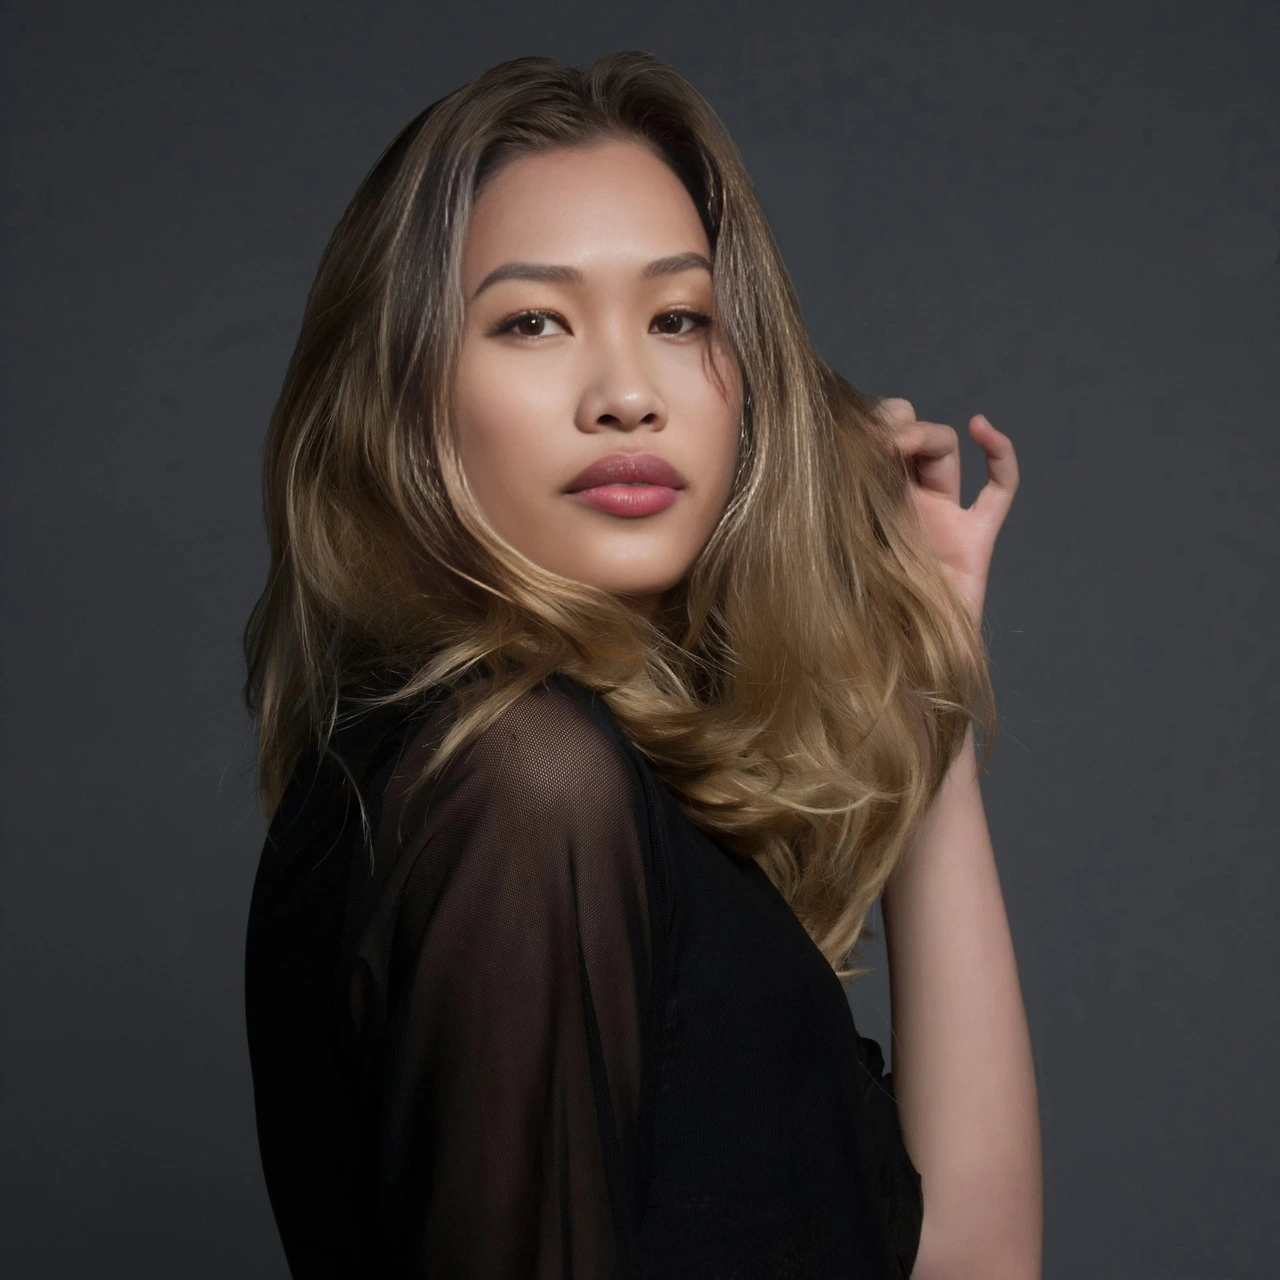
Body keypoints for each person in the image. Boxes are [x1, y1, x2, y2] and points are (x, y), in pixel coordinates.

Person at [241, 50, 1042, 1279]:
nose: (626, 393)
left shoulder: (577, 795)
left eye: (677, 318)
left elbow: (970, 1262)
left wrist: (915, 672)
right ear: (403, 397)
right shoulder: (521, 780)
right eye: (531, 321)